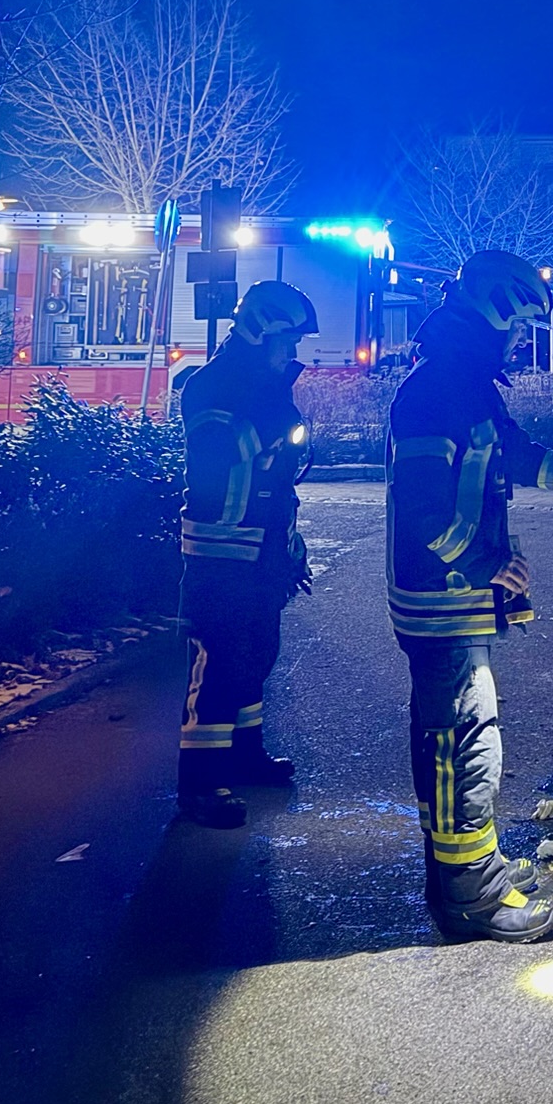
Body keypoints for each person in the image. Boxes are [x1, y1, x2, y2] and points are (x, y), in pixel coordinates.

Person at [388, 250, 553, 943]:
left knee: (459, 736)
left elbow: (513, 453)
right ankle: (470, 896)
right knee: (463, 744)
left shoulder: (460, 384)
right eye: (515, 328)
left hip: (452, 598)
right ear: (492, 315)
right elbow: (425, 511)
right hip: (443, 601)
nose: (517, 342)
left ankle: (467, 870)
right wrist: (489, 564)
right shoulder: (438, 391)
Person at [175, 280, 317, 828]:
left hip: (261, 551)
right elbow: (219, 452)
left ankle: (244, 755)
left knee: (257, 654)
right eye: (288, 340)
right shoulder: (210, 385)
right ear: (260, 332)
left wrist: (289, 547)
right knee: (218, 663)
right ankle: (200, 785)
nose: (293, 352)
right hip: (220, 554)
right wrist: (273, 425)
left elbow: (277, 481)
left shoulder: (266, 386)